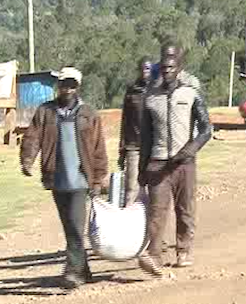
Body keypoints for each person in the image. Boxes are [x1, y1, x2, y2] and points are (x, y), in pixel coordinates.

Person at [20, 67, 110, 288]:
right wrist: (27, 160)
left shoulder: (89, 114)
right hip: (57, 180)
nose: (67, 89)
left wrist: (98, 179)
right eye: (63, 84)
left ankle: (73, 273)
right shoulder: (46, 112)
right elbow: (32, 137)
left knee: (75, 227)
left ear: (77, 87)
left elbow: (98, 149)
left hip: (81, 181)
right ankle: (84, 270)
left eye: (71, 85)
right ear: (57, 86)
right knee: (70, 227)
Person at [136, 55, 212, 277]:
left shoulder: (191, 94)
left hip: (184, 163)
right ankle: (154, 256)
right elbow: (146, 139)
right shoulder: (150, 98)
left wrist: (191, 148)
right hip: (158, 163)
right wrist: (142, 171)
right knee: (157, 212)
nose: (167, 71)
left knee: (185, 209)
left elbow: (207, 128)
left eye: (171, 67)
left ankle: (184, 250)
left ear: (179, 68)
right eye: (164, 67)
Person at [118, 58, 153, 206]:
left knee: (154, 189)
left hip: (154, 147)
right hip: (134, 146)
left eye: (149, 68)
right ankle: (129, 223)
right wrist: (122, 150)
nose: (146, 71)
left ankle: (151, 225)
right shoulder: (132, 91)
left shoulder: (158, 90)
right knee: (131, 188)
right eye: (143, 68)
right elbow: (125, 120)